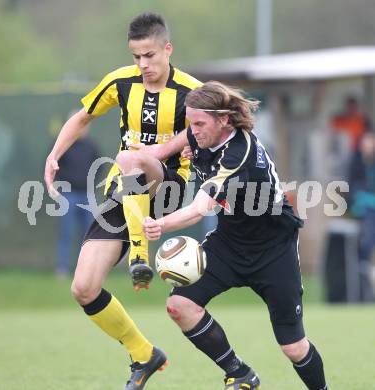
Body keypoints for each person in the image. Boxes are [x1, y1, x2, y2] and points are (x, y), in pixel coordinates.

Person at [44, 13, 201, 389]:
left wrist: (179, 150)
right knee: (83, 288)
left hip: (170, 185)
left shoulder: (192, 91)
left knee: (132, 158)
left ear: (167, 49)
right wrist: (54, 154)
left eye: (149, 55)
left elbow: (214, 127)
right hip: (123, 191)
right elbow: (82, 117)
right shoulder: (120, 82)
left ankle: (138, 257)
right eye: (136, 57)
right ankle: (144, 354)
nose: (143, 64)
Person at [143, 81, 328, 389]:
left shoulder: (239, 154)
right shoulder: (201, 133)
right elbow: (167, 149)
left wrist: (159, 225)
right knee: (180, 306)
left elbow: (200, 208)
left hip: (274, 249)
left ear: (224, 120)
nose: (194, 130)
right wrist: (147, 154)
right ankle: (239, 373)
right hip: (229, 242)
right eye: (191, 123)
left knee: (293, 347)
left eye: (200, 123)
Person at [55, 122, 99, 277]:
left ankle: (85, 270)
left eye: (84, 125)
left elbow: (100, 165)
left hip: (87, 195)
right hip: (69, 195)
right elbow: (54, 166)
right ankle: (62, 268)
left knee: (89, 234)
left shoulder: (91, 146)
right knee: (66, 232)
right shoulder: (63, 146)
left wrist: (92, 182)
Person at [349, 130, 375, 302]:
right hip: (364, 212)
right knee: (365, 243)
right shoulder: (355, 163)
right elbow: (351, 190)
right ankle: (364, 278)